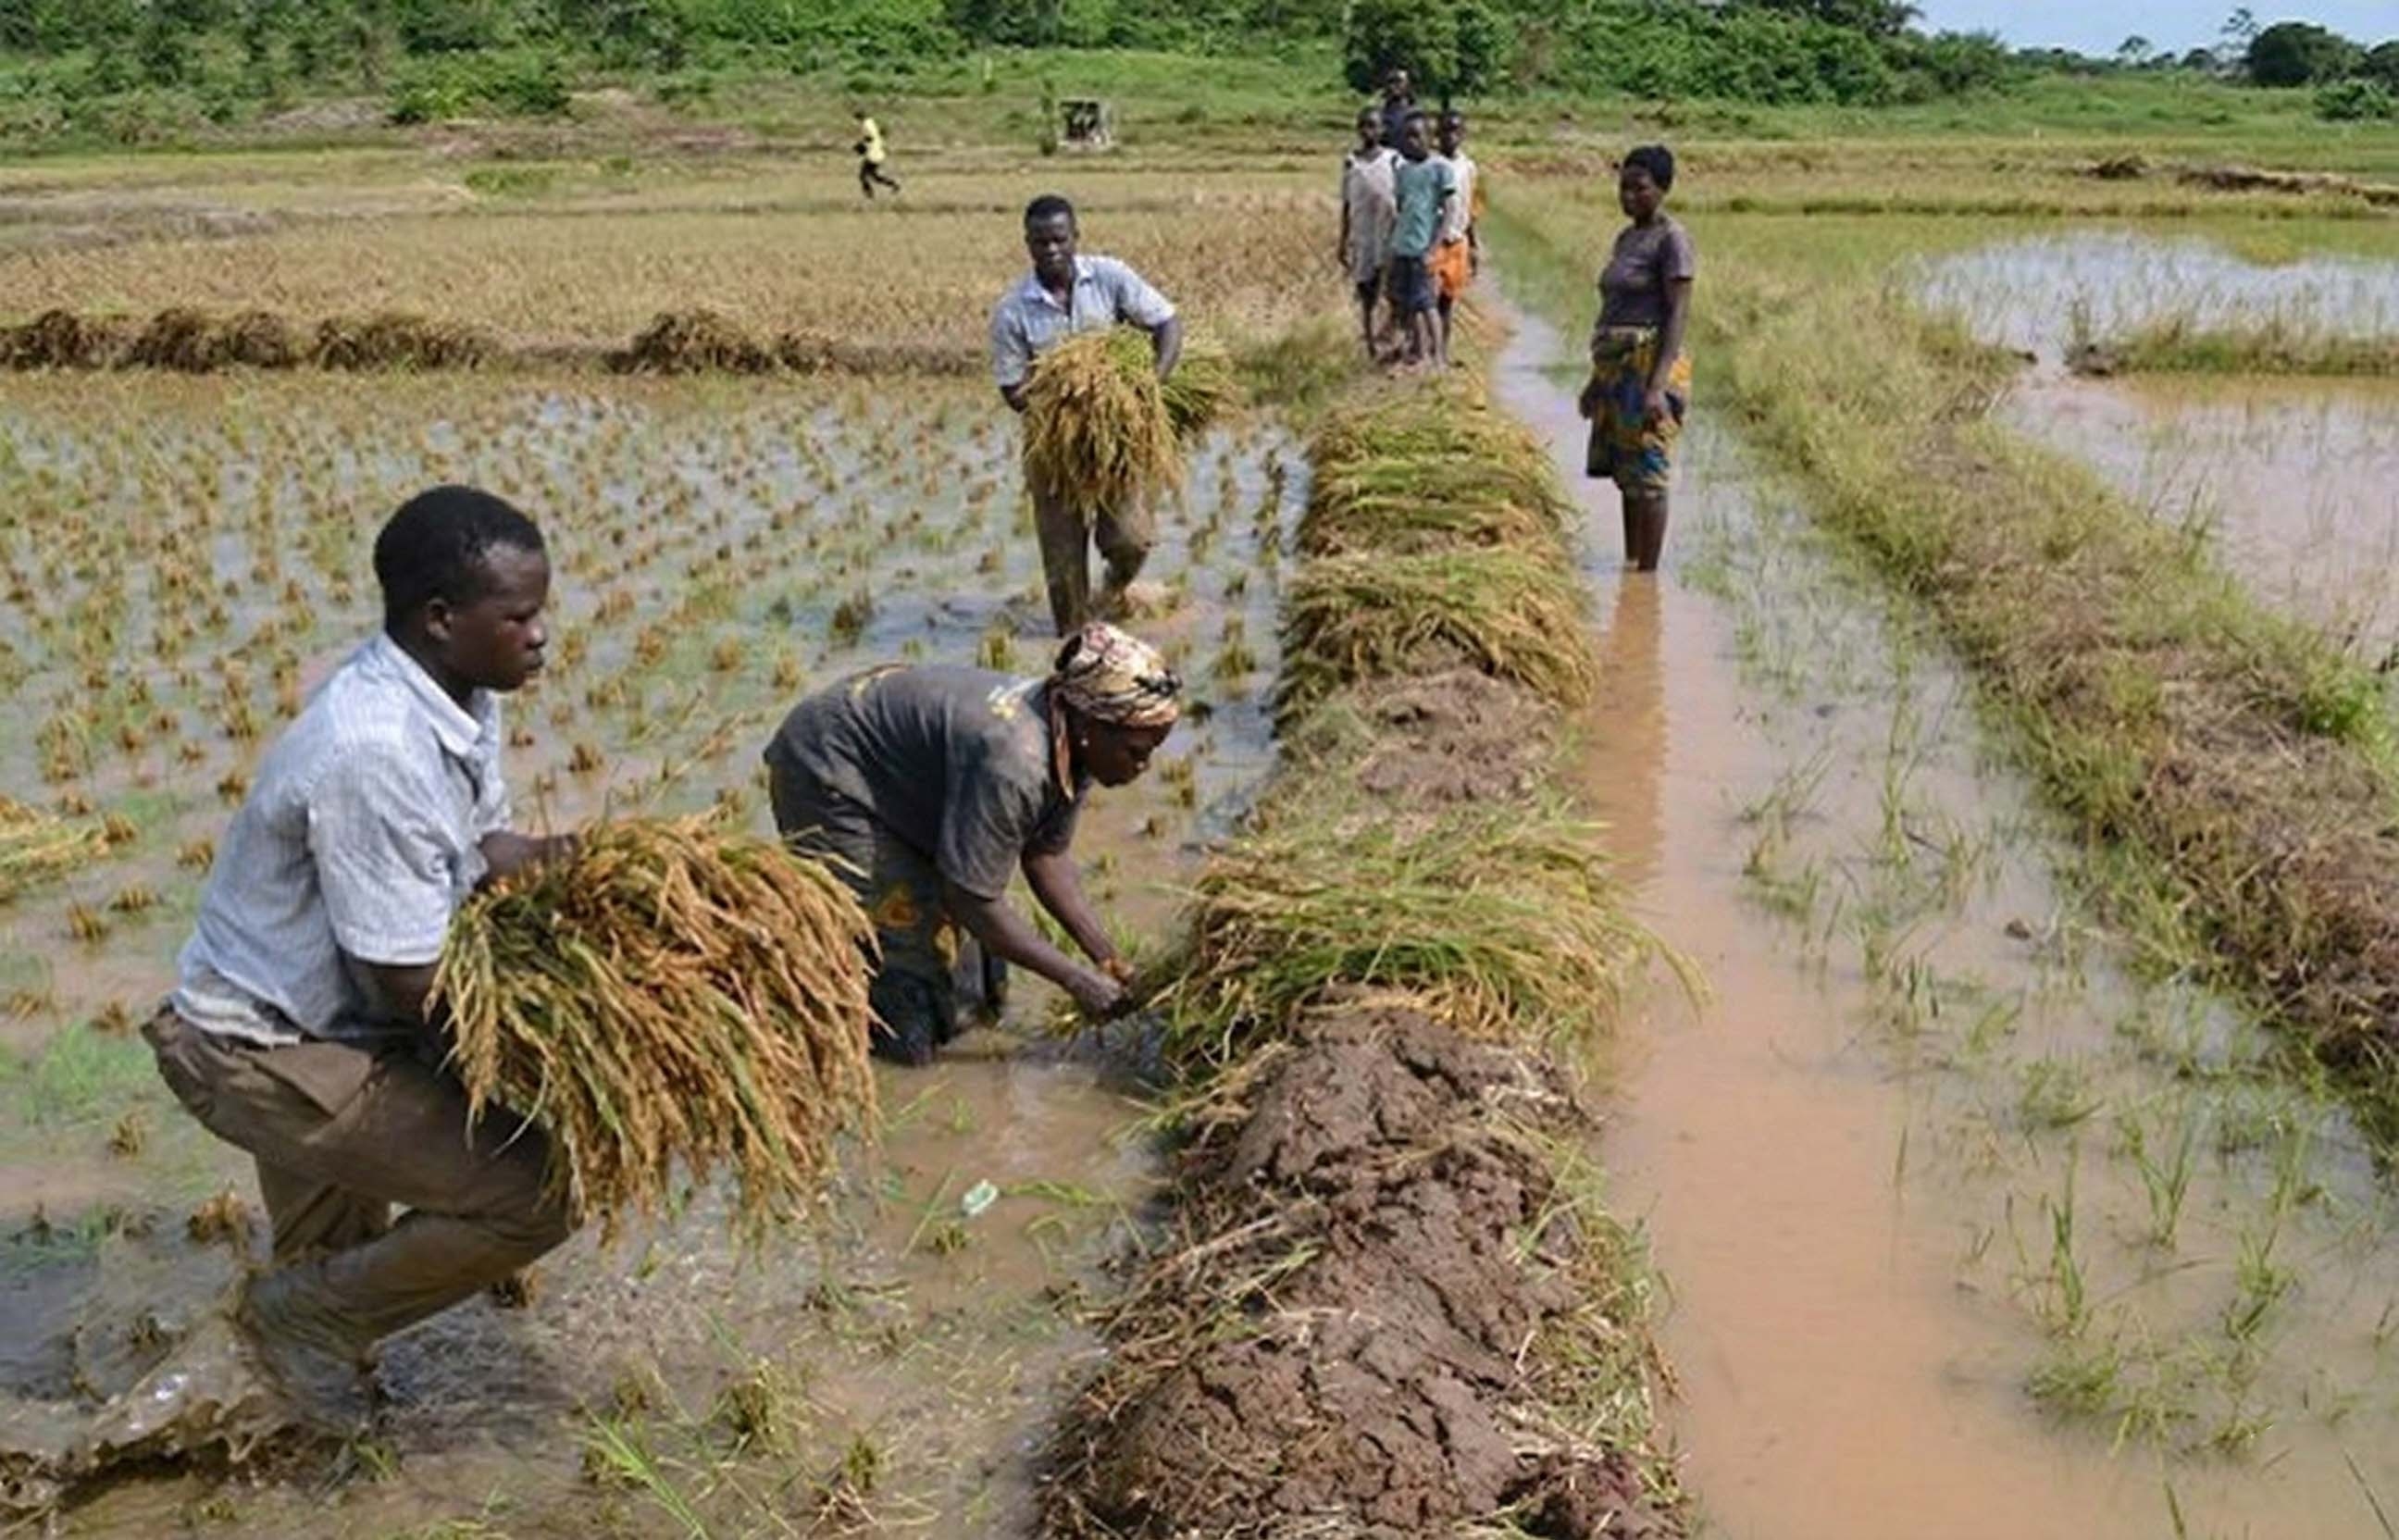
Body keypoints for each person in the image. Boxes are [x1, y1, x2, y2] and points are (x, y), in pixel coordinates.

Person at [131, 486, 576, 1434]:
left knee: (328, 1298)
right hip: (266, 1046)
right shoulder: (375, 748)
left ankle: (244, 1432)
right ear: (442, 618)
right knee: (536, 1189)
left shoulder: (458, 689)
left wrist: (568, 860)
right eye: (520, 617)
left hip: (313, 1017)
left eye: (542, 611)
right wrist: (544, 1074)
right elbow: (408, 983)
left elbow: (479, 848)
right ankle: (286, 1326)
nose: (540, 636)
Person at [764, 623, 1181, 1066]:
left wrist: (1108, 958)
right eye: (1136, 751)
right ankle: (890, 1058)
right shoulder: (1016, 759)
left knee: (978, 985)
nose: (1144, 766)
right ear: (1091, 726)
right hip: (829, 772)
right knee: (907, 956)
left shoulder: (1071, 742)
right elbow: (971, 898)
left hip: (906, 779)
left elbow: (1046, 856)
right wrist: (1077, 981)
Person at [989, 194, 1185, 636]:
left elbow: (1167, 323)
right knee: (1062, 560)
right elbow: (1012, 389)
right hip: (1053, 442)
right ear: (1028, 244)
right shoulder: (1012, 310)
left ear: (1076, 237)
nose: (1051, 250)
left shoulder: (1110, 277)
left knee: (1130, 539)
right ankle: (1071, 648)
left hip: (1118, 434)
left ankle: (1116, 585)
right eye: (1041, 242)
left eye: (1059, 239)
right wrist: (1066, 404)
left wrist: (1148, 386)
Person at [1579, 144, 1695, 573]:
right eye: (1623, 187)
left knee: (1649, 473)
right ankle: (1631, 565)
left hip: (1649, 367)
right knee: (1626, 474)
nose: (1629, 196)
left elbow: (1678, 312)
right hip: (1617, 369)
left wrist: (1657, 386)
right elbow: (1611, 311)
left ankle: (1647, 580)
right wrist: (1596, 380)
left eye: (1640, 188)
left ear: (1663, 189)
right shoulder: (1627, 238)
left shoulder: (1672, 239)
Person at [1387, 112, 1456, 372]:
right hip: (1403, 246)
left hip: (1422, 248)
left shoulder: (1440, 169)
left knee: (1427, 303)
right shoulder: (1403, 172)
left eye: (1417, 136)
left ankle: (1438, 357)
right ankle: (1419, 351)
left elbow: (1448, 211)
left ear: (1430, 138)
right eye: (1407, 137)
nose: (1411, 142)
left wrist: (1434, 247)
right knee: (1410, 303)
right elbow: (1401, 208)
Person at [1338, 105, 1399, 362]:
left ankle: (1394, 334)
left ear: (1383, 129)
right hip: (1362, 234)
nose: (1368, 131)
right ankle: (1369, 341)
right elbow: (1346, 204)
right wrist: (1342, 240)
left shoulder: (1393, 159)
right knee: (1366, 289)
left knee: (1394, 287)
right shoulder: (1351, 162)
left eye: (1373, 125)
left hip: (1388, 233)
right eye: (1364, 125)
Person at [1431, 110, 1482, 364]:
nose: (1450, 136)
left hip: (1458, 241)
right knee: (1428, 300)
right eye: (1445, 131)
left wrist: (1474, 244)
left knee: (1448, 302)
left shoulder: (1469, 167)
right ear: (1437, 135)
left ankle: (1443, 353)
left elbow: (1471, 208)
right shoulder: (1431, 165)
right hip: (1434, 241)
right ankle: (1428, 352)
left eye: (1455, 131)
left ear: (1463, 134)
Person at [853, 108, 901, 199]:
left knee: (863, 176)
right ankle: (893, 185)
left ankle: (869, 194)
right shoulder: (870, 122)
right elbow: (878, 134)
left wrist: (861, 145)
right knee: (874, 176)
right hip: (878, 153)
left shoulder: (866, 125)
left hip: (873, 154)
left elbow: (870, 138)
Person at [1377, 67, 1416, 150]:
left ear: (1408, 84)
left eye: (1399, 81)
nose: (1394, 86)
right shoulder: (1379, 113)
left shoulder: (1415, 114)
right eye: (1391, 81)